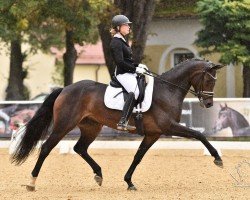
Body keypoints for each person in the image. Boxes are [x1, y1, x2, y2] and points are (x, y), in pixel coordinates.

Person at [110, 14, 147, 131]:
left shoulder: (122, 40)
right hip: (122, 73)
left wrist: (138, 66)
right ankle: (123, 121)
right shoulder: (116, 42)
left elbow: (128, 61)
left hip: (128, 72)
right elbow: (120, 62)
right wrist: (135, 69)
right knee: (135, 92)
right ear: (118, 27)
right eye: (126, 25)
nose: (128, 27)